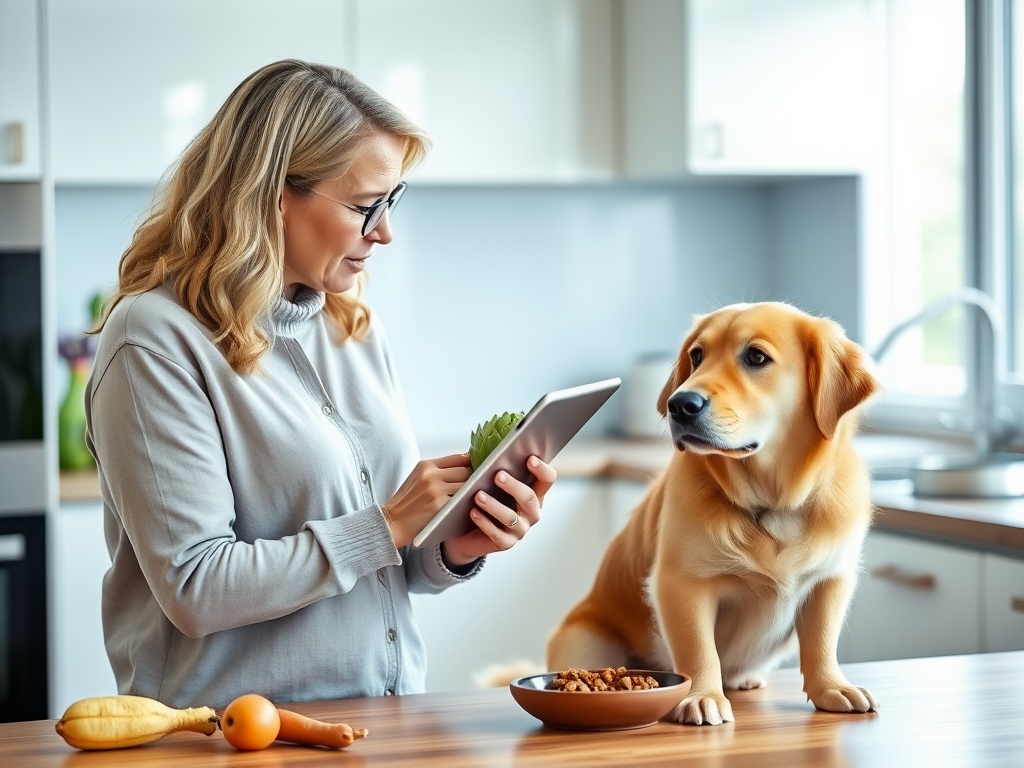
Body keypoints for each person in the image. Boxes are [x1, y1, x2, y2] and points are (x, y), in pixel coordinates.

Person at [84, 59, 557, 709]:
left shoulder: (350, 325)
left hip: (379, 725)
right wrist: (387, 525)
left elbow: (383, 561)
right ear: (276, 194)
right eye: (366, 206)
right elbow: (195, 587)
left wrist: (451, 545)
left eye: (392, 202)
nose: (385, 232)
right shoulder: (154, 341)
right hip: (228, 742)